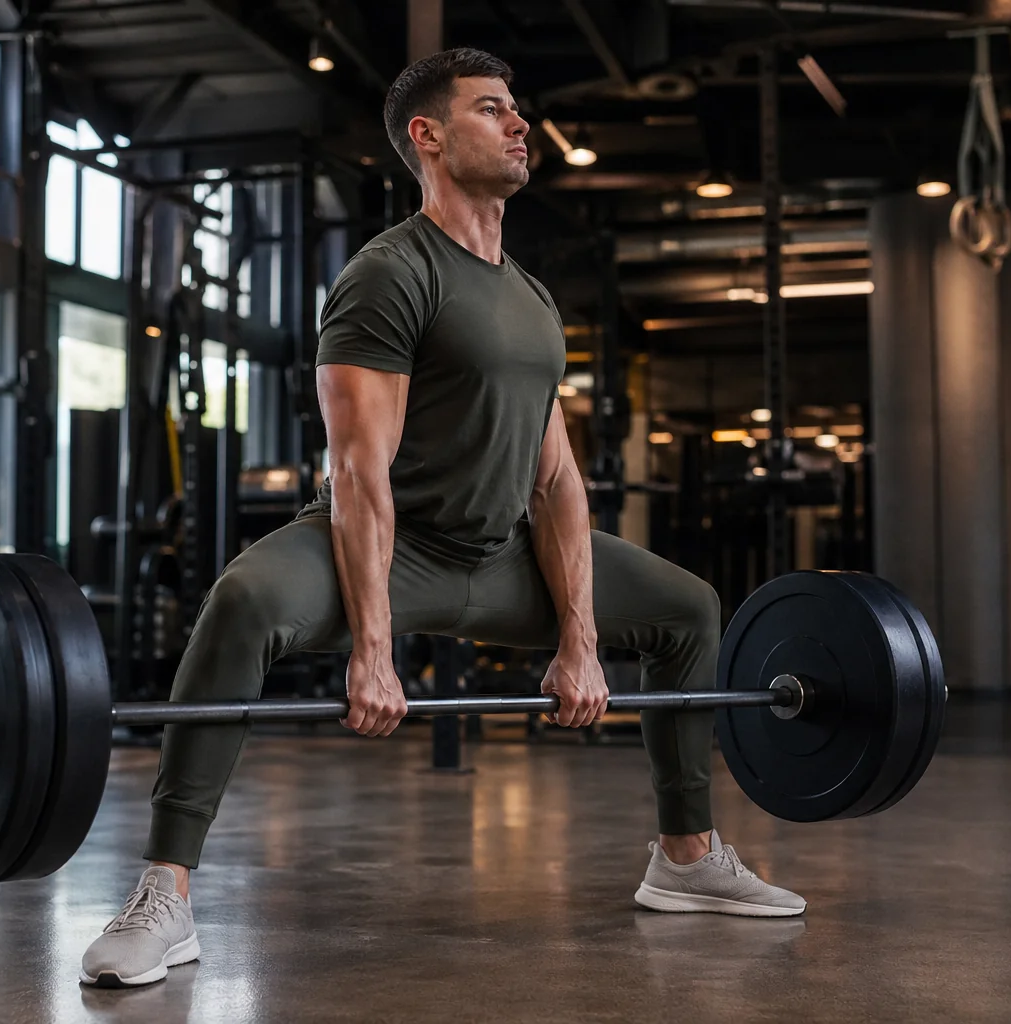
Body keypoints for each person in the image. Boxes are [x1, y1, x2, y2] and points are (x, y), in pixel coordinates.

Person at [79, 46, 804, 989]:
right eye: (493, 109)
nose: (519, 124)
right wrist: (373, 649)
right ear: (427, 136)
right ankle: (165, 891)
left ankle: (686, 855)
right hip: (390, 548)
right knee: (246, 600)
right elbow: (358, 469)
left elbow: (557, 481)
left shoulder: (534, 298)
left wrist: (580, 638)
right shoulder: (390, 273)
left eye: (519, 109)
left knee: (689, 609)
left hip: (500, 556)